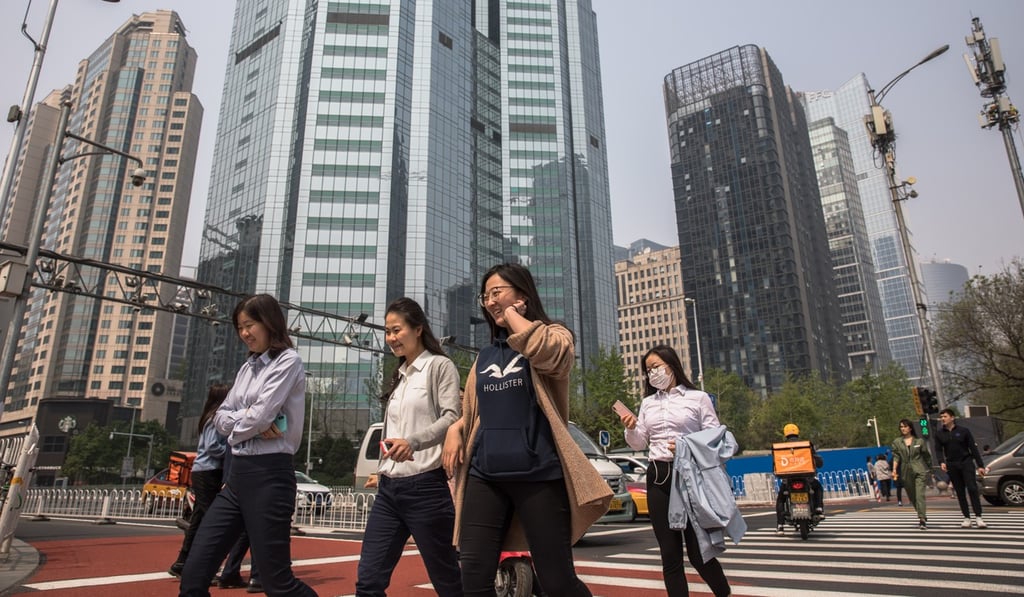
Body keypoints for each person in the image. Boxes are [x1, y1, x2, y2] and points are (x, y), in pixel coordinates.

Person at [443, 263, 612, 597]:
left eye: (498, 292)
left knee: (557, 582)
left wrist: (515, 318)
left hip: (539, 474)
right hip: (485, 474)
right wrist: (456, 428)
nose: (490, 302)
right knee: (474, 578)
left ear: (522, 294)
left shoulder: (555, 335)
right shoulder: (486, 355)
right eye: (485, 296)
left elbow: (550, 355)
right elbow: (474, 411)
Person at [179, 294, 317, 597]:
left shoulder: (288, 361)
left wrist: (241, 422)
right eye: (240, 327)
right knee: (193, 573)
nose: (244, 333)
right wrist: (247, 425)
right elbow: (221, 417)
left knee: (277, 583)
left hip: (270, 478)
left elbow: (261, 414)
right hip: (236, 479)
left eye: (250, 324)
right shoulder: (247, 368)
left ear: (269, 323)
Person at [355, 297, 463, 596]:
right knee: (369, 580)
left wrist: (413, 443)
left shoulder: (439, 366)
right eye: (388, 332)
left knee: (448, 581)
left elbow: (452, 417)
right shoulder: (399, 376)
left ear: (418, 329)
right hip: (389, 492)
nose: (391, 338)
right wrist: (383, 468)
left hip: (426, 489)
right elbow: (394, 432)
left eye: (397, 330)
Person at [617, 345, 733, 597]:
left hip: (690, 476)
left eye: (657, 367)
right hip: (658, 476)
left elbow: (714, 439)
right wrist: (630, 428)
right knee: (669, 555)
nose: (653, 373)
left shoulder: (697, 398)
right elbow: (639, 443)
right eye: (648, 370)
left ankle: (724, 593)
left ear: (672, 366)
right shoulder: (647, 403)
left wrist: (687, 446)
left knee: (698, 551)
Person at [169, 384, 230, 577]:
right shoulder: (215, 418)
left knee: (199, 519)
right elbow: (213, 446)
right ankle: (204, 566)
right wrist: (231, 451)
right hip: (208, 471)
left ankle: (182, 562)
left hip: (204, 471)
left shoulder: (210, 416)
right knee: (213, 520)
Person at [935, 408, 987, 528]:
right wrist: (941, 461)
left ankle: (979, 517)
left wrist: (980, 465)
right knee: (959, 491)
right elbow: (938, 449)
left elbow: (973, 448)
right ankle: (966, 517)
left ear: (952, 418)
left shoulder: (964, 431)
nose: (943, 419)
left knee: (973, 488)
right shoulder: (939, 434)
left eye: (945, 416)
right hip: (952, 464)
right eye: (941, 417)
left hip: (966, 462)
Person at [773, 423, 824, 535]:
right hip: (807, 479)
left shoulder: (781, 449)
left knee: (781, 499)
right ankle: (819, 508)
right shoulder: (806, 445)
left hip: (788, 481)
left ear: (785, 434)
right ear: (797, 432)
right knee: (818, 487)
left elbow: (775, 466)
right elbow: (819, 462)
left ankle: (780, 525)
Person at [891, 418, 931, 530]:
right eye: (901, 427)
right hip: (905, 471)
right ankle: (921, 512)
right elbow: (896, 456)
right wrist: (894, 469)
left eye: (905, 426)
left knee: (919, 495)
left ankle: (922, 519)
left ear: (910, 428)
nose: (903, 429)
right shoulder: (897, 442)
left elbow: (926, 456)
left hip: (919, 469)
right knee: (912, 496)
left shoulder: (919, 441)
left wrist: (931, 468)